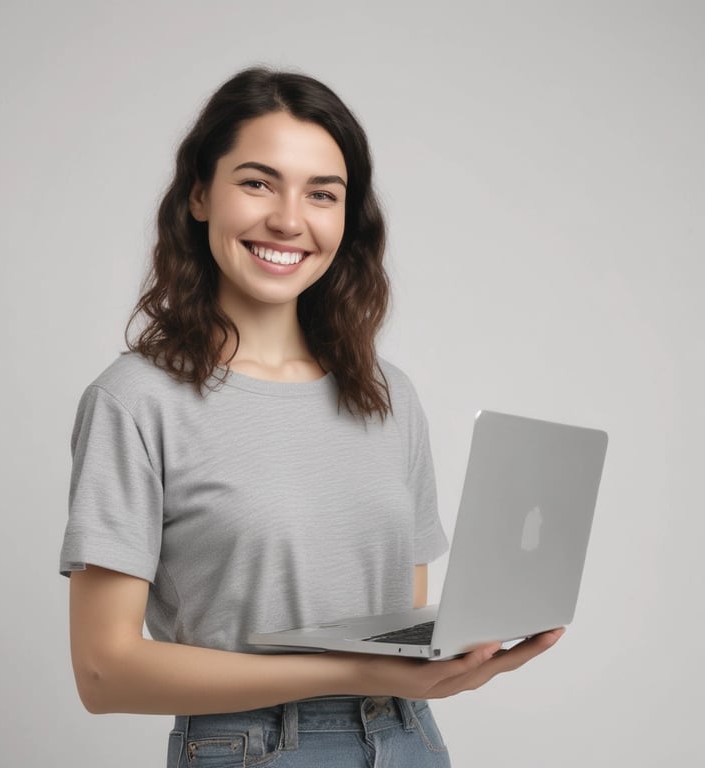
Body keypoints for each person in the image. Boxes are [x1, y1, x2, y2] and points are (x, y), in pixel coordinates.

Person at [60, 66, 563, 768]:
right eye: (257, 182)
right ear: (200, 194)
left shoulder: (388, 394)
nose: (289, 220)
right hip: (251, 747)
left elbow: (396, 621)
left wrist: (460, 654)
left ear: (346, 218)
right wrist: (354, 673)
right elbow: (104, 673)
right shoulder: (136, 400)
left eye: (321, 194)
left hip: (407, 739)